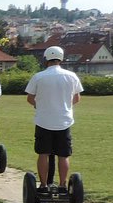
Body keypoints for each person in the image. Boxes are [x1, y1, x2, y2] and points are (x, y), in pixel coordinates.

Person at [25, 46, 84, 191]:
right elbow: (77, 98)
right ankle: (63, 184)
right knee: (63, 155)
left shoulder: (39, 76)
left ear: (46, 59)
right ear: (61, 58)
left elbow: (30, 98)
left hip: (44, 120)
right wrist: (64, 106)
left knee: (43, 154)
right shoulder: (71, 76)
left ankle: (44, 185)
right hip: (63, 120)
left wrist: (39, 106)